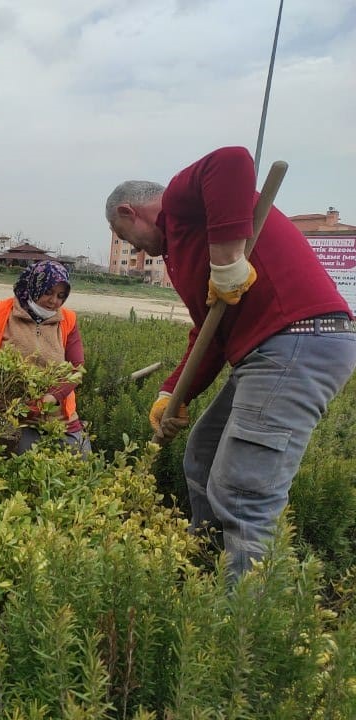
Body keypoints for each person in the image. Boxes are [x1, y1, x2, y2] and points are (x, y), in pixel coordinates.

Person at [105, 145, 356, 579]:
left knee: (243, 492)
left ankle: (242, 626)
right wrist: (171, 392)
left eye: (127, 239)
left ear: (129, 212)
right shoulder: (181, 251)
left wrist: (227, 259)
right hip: (268, 350)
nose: (136, 250)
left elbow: (233, 160)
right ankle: (206, 564)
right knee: (201, 457)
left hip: (297, 340)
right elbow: (209, 337)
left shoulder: (182, 202)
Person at [0, 259, 91, 456]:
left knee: (82, 460)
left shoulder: (68, 320)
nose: (54, 301)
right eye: (48, 292)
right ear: (34, 285)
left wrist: (51, 397)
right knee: (23, 457)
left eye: (61, 296)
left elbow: (76, 368)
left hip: (59, 418)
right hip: (11, 415)